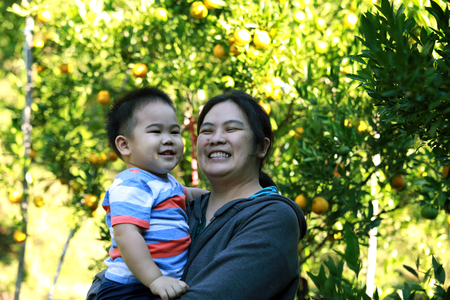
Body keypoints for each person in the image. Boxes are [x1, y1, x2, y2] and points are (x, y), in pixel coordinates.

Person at [178, 90, 307, 299]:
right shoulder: (183, 210)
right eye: (207, 131)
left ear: (261, 147)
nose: (216, 139)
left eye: (231, 128)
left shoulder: (274, 217)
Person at [95, 87, 206, 300]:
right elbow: (126, 235)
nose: (169, 139)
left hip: (156, 285)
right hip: (131, 288)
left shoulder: (165, 182)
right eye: (156, 131)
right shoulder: (133, 183)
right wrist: (155, 279)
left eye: (174, 132)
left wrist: (223, 196)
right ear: (125, 145)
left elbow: (189, 194)